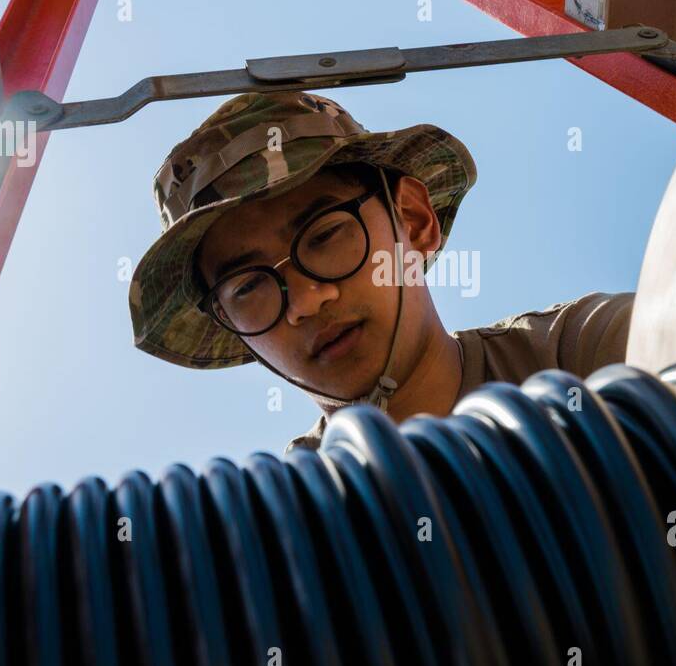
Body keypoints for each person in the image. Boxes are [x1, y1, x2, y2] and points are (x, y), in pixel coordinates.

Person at [127, 90, 634, 452]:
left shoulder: (584, 354)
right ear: (232, 328)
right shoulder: (282, 523)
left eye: (324, 235)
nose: (306, 301)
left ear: (412, 220)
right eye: (250, 286)